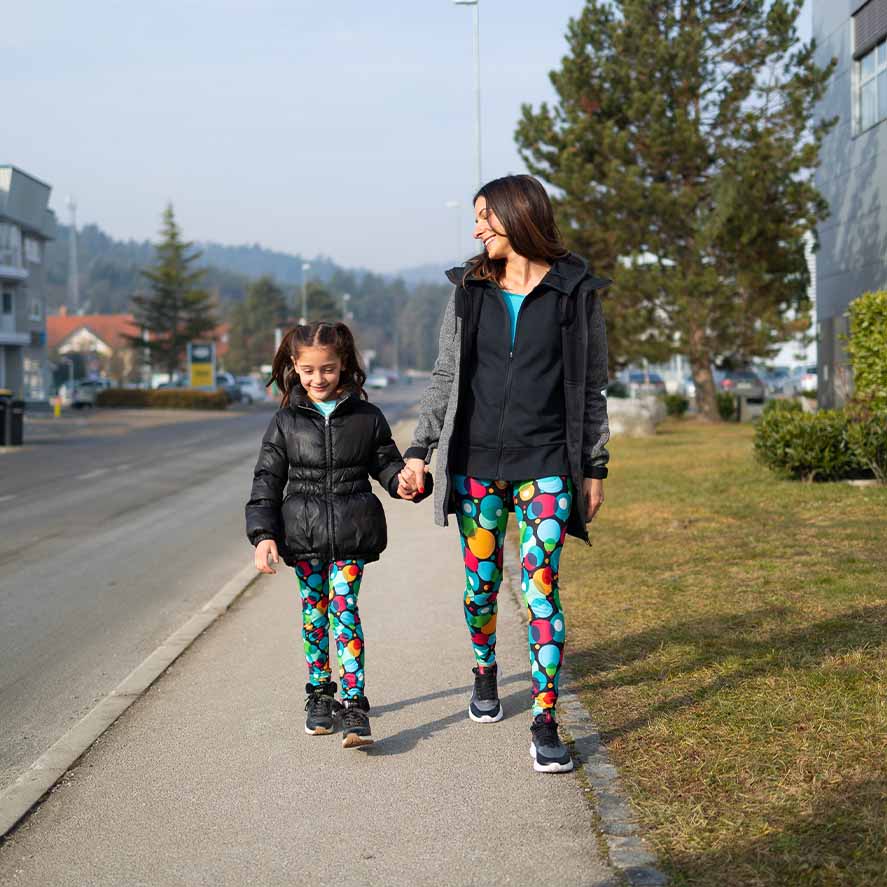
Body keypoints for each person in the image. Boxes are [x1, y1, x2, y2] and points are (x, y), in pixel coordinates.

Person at [400, 174, 610, 773]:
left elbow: (591, 386)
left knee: (540, 584)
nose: (476, 230)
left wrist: (594, 466)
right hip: (476, 465)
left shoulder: (575, 292)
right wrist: (419, 449)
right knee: (481, 587)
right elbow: (446, 377)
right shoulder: (469, 290)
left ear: (518, 217)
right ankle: (485, 670)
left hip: (546, 463)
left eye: (484, 217)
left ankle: (546, 721)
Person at [245, 321, 428, 748]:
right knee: (314, 615)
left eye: (327, 368)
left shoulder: (367, 416)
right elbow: (266, 481)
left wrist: (403, 482)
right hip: (303, 535)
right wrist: (263, 535)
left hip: (351, 532)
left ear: (343, 363)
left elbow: (386, 463)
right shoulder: (285, 421)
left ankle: (354, 704)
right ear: (295, 366)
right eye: (309, 370)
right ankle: (320, 694)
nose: (318, 378)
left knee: (344, 610)